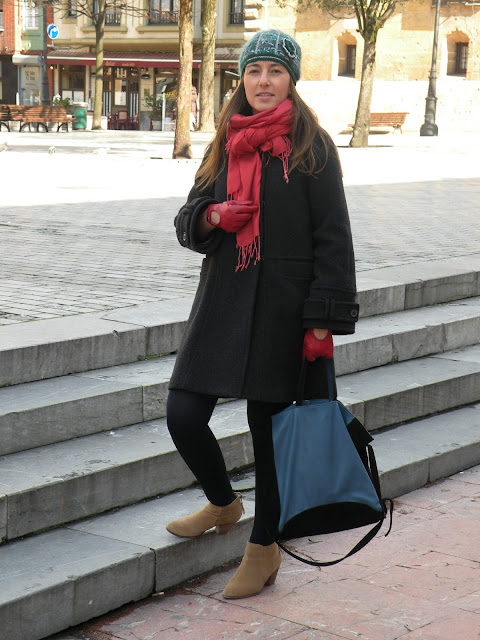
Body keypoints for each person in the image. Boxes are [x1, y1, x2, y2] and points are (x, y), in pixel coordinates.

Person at [165, 29, 359, 599]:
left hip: (283, 311)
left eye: (275, 71)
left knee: (269, 434)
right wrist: (211, 217)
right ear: (242, 78)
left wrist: (322, 320)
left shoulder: (312, 147)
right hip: (223, 303)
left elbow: (334, 238)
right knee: (183, 414)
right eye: (255, 71)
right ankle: (224, 504)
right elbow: (187, 217)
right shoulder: (226, 141)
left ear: (291, 80)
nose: (264, 81)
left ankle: (263, 547)